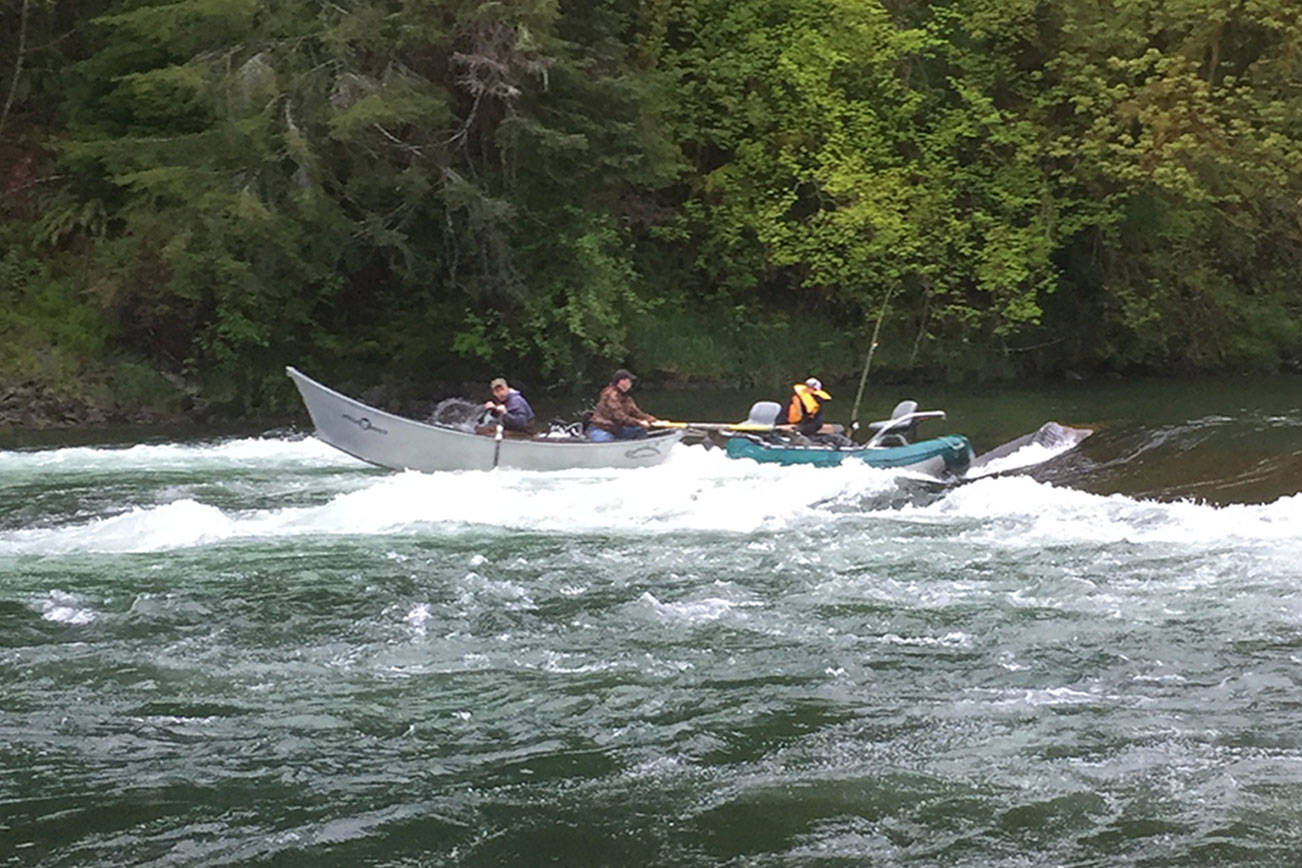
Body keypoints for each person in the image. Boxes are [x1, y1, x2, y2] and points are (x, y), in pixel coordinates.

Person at [588, 368, 658, 441]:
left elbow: (637, 413)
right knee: (606, 440)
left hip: (616, 429)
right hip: (601, 429)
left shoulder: (626, 398)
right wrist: (639, 422)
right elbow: (619, 416)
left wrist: (650, 419)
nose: (630, 383)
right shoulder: (610, 395)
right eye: (629, 381)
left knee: (640, 430)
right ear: (622, 381)